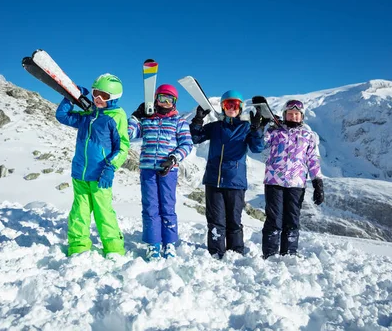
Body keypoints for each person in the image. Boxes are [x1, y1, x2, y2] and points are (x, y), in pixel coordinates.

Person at [55, 73, 130, 257]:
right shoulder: (87, 115)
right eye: (95, 93)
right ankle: (78, 245)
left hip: (100, 175)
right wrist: (71, 96)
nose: (97, 98)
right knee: (79, 212)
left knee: (103, 213)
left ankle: (113, 248)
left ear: (113, 97)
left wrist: (110, 168)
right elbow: (62, 116)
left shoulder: (116, 117)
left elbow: (123, 147)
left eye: (103, 95)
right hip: (80, 173)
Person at [190, 90, 264, 258]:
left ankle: (236, 253)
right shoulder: (216, 127)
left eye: (235, 105)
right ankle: (216, 253)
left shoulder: (245, 127)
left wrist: (257, 130)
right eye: (227, 105)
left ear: (240, 108)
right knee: (216, 221)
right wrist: (198, 120)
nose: (231, 108)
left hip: (235, 182)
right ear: (223, 107)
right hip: (213, 181)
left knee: (234, 221)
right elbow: (195, 138)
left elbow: (257, 148)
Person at [128, 84, 193, 260]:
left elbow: (187, 144)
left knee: (167, 205)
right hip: (148, 169)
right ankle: (153, 244)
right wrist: (136, 116)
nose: (165, 102)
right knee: (150, 207)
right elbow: (127, 134)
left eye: (169, 99)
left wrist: (173, 158)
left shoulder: (179, 121)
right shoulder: (147, 120)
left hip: (168, 170)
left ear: (174, 102)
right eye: (161, 98)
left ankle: (169, 243)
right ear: (155, 100)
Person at [261, 99, 324, 259]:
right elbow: (260, 145)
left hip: (296, 183)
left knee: (292, 219)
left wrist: (318, 182)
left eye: (297, 114)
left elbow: (313, 159)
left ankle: (289, 254)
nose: (293, 116)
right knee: (274, 219)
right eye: (290, 114)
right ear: (284, 115)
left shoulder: (309, 135)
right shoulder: (275, 132)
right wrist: (264, 125)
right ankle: (270, 254)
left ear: (301, 116)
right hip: (274, 181)